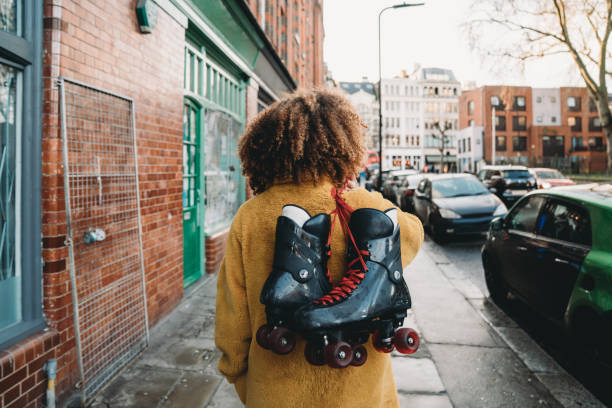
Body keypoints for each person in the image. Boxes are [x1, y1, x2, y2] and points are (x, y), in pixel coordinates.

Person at [214, 88, 424, 407]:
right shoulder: (362, 204)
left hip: (275, 391)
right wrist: (362, 194)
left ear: (264, 151)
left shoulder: (251, 216)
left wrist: (239, 376)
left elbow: (233, 318)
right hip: (361, 395)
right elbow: (412, 232)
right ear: (343, 146)